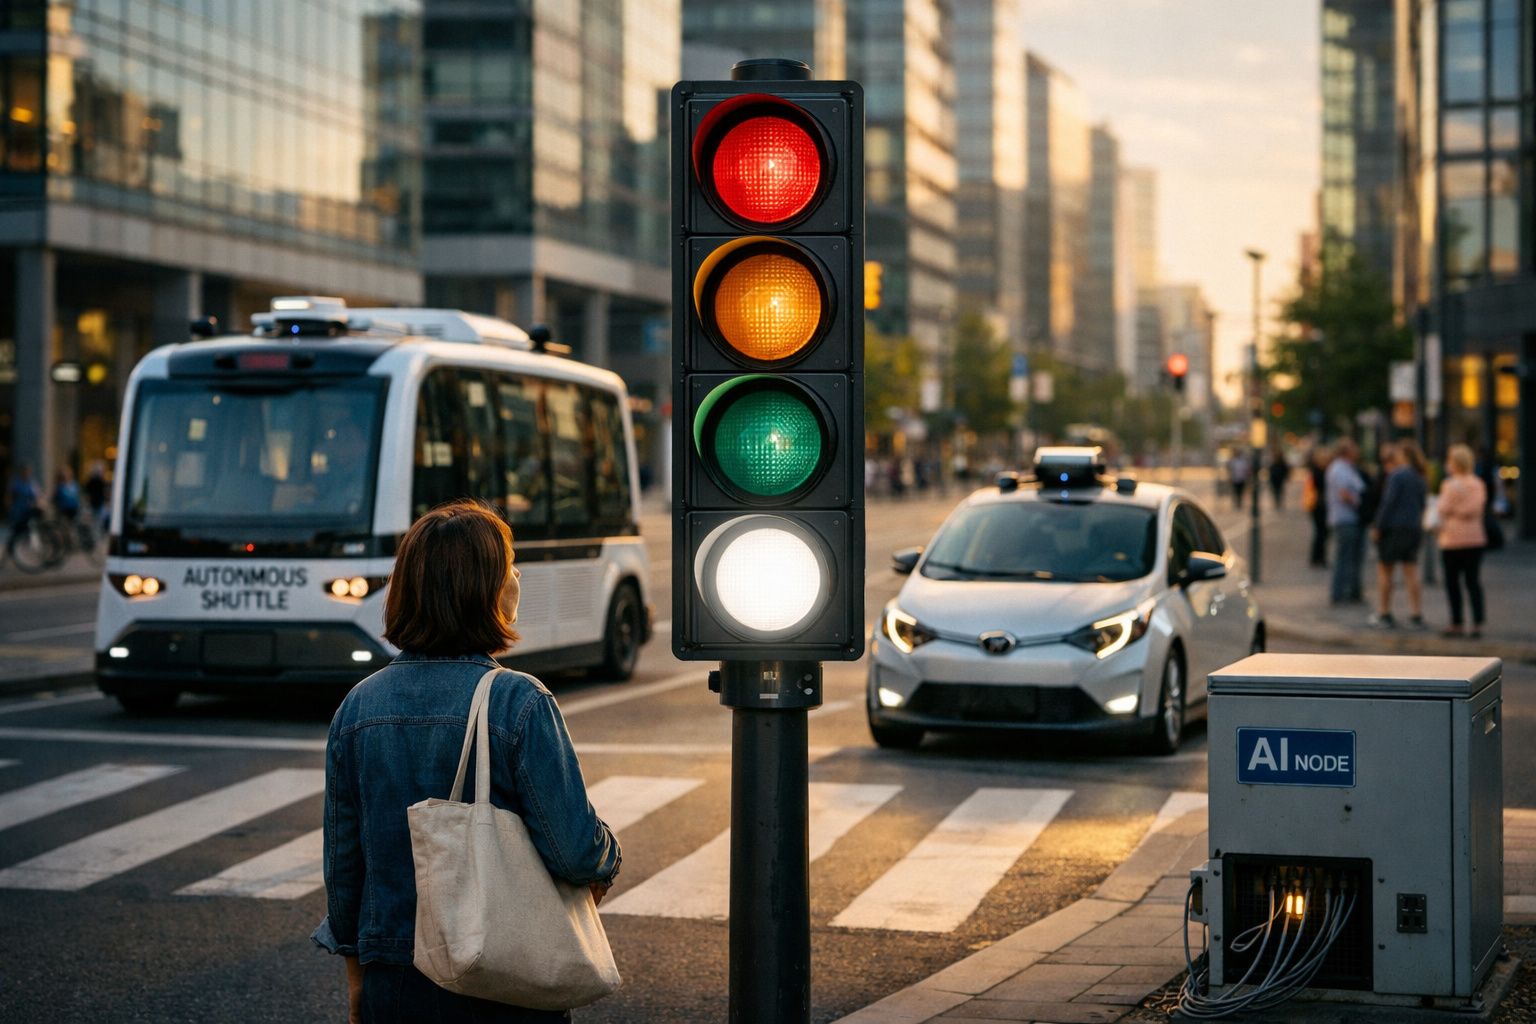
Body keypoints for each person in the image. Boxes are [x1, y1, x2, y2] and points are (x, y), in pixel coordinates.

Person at [314, 500, 620, 1023]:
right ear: (485, 591)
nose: (517, 578)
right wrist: (607, 858)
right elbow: (575, 851)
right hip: (503, 972)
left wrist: (358, 977)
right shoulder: (518, 702)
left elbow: (345, 870)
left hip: (396, 975)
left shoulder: (358, 707)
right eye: (509, 567)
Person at [1370, 442, 1428, 629]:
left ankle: (1384, 613)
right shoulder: (1420, 477)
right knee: (1411, 572)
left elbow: (1388, 503)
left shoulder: (1396, 475)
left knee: (1385, 571)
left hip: (1393, 528)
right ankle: (1416, 614)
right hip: (1412, 528)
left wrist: (1378, 526)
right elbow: (1422, 504)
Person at [1437, 444, 1488, 639]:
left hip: (1451, 539)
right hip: (1474, 539)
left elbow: (1442, 508)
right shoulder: (1478, 484)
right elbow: (1476, 508)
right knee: (1473, 581)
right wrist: (1463, 509)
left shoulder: (1449, 485)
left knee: (1453, 583)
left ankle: (1456, 622)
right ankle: (1477, 623)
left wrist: (1454, 509)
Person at [1325, 439, 1366, 605]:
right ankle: (1340, 592)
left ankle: (1349, 591)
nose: (1357, 451)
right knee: (1345, 557)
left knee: (1350, 556)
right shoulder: (1340, 469)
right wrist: (1359, 502)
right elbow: (1343, 493)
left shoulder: (1346, 467)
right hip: (1345, 518)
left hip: (1348, 518)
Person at [1305, 444, 1331, 567]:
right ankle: (1318, 558)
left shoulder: (1317, 471)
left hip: (1318, 505)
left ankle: (1317, 557)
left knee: (1321, 532)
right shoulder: (1320, 472)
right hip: (1319, 505)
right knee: (1322, 532)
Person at [84, 461, 109, 532]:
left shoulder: (101, 481)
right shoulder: (92, 481)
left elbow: (105, 493)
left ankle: (95, 531)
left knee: (97, 520)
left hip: (99, 503)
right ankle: (94, 532)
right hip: (93, 503)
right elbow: (87, 493)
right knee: (94, 521)